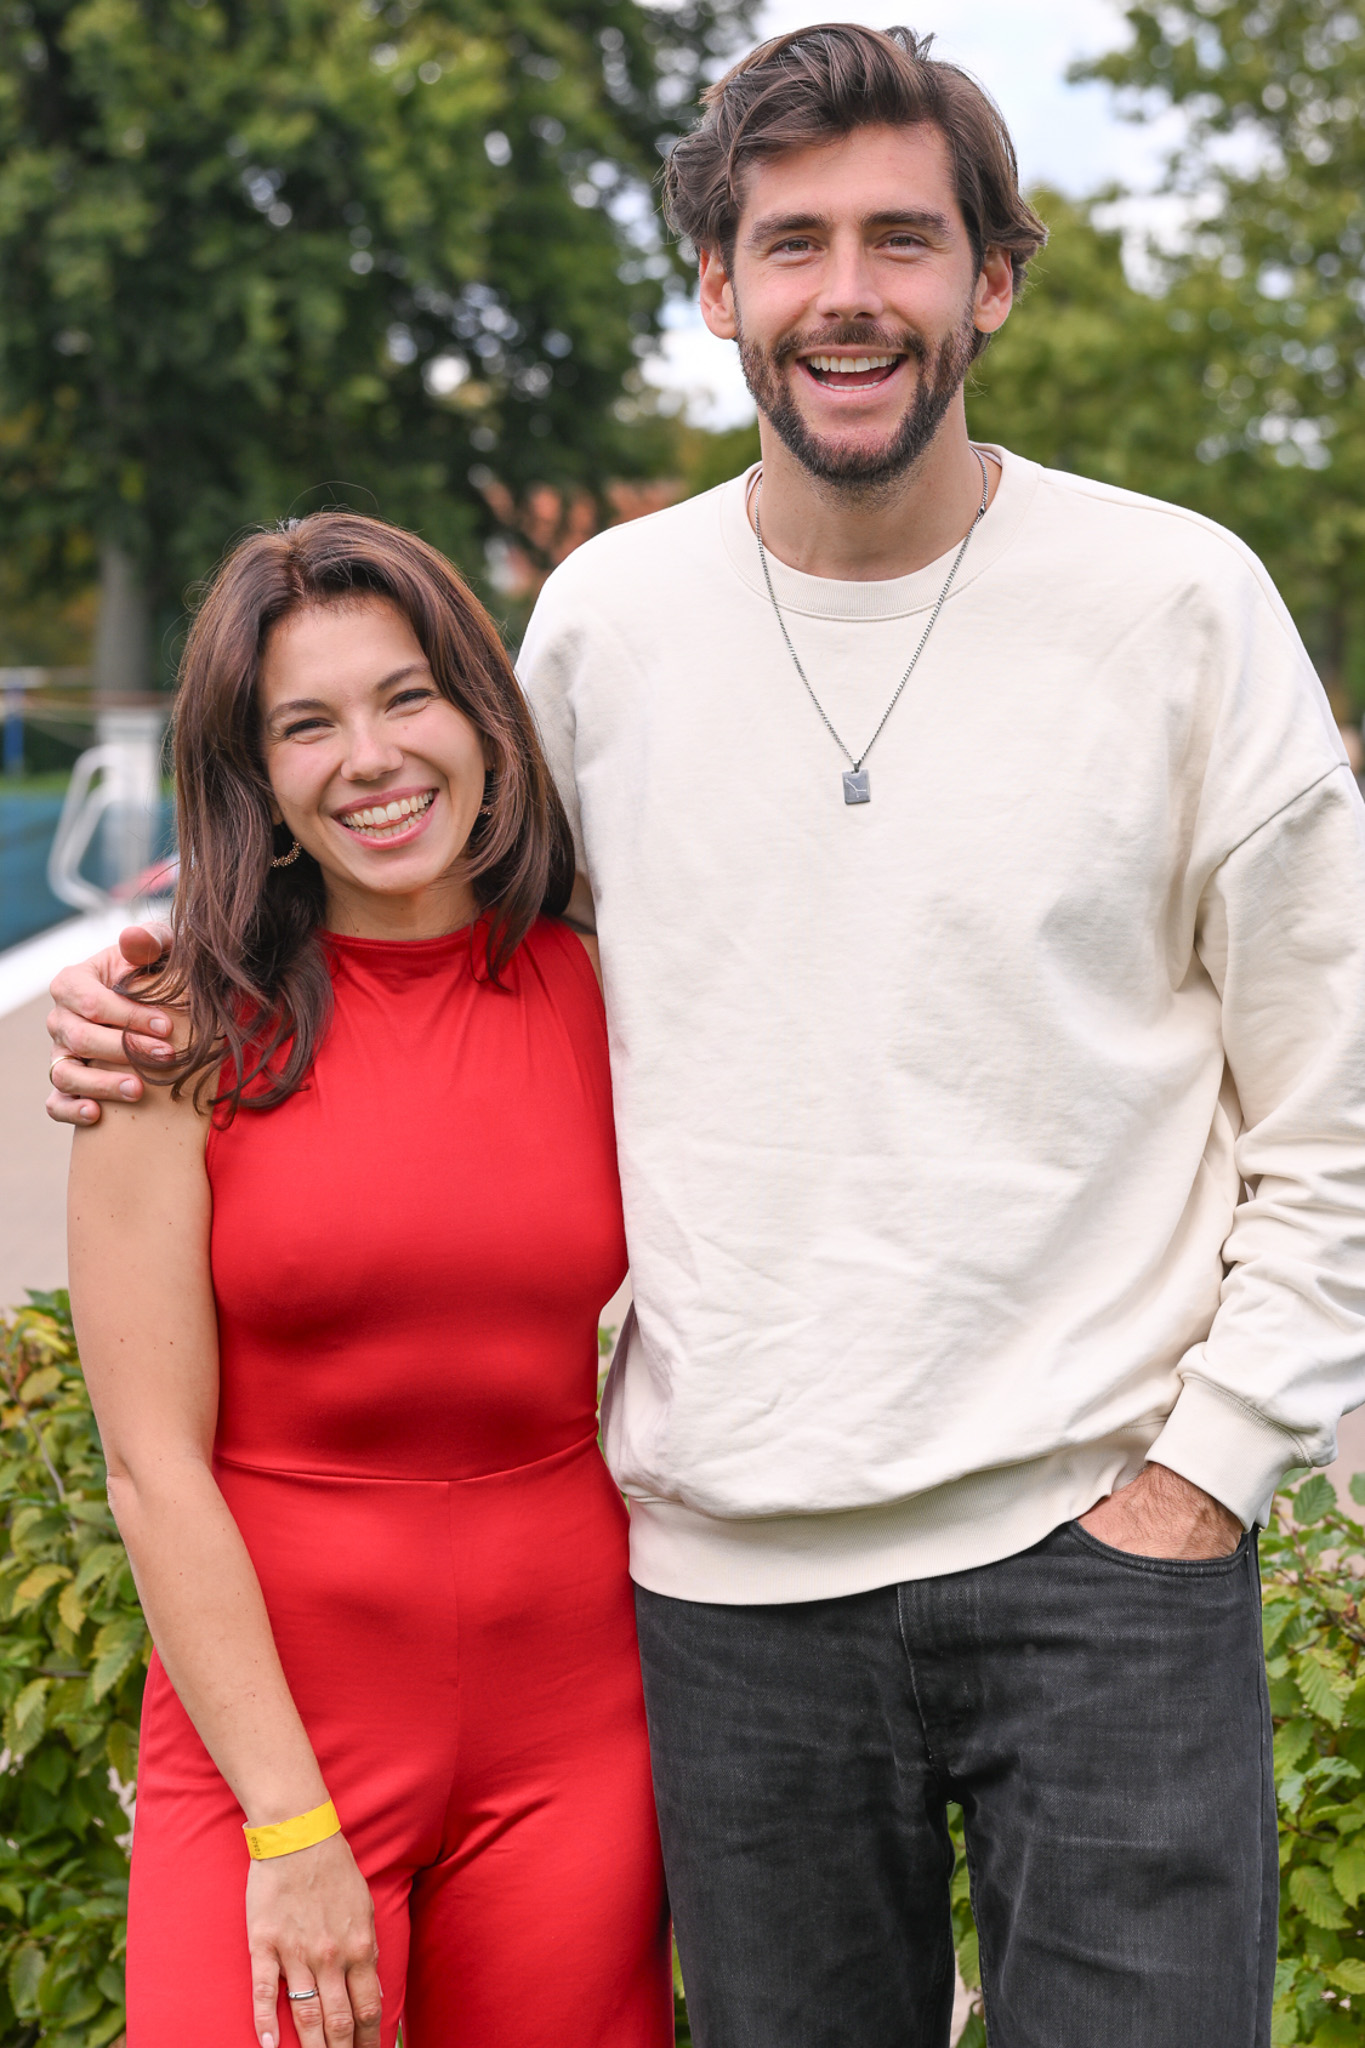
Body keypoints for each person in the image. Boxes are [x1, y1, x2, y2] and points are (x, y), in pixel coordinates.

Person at [47, 23, 1365, 2048]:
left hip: (1101, 1555)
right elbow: (426, 910)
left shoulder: (1177, 605)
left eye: (902, 240)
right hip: (728, 1601)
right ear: (716, 290)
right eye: (792, 242)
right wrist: (153, 993)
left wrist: (1208, 1469)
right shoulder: (604, 624)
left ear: (991, 281)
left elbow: (1331, 1101)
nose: (847, 293)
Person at [63, 513, 670, 2048]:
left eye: (408, 697)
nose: (372, 758)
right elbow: (149, 1468)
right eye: (306, 725)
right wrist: (287, 1823)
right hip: (270, 1738)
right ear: (255, 780)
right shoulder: (166, 1037)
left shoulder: (602, 985)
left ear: (482, 718)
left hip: (575, 1738)